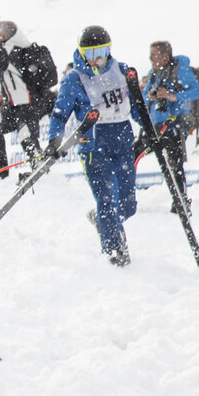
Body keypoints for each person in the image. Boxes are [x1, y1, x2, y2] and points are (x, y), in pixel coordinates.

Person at [46, 25, 139, 267]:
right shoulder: (74, 79)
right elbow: (59, 115)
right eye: (90, 53)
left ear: (109, 49)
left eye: (102, 51)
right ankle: (113, 253)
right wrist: (54, 140)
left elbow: (137, 108)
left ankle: (102, 220)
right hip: (94, 146)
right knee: (108, 199)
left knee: (127, 205)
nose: (96, 58)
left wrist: (154, 129)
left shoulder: (122, 71)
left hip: (122, 141)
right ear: (82, 53)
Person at [0, 20, 56, 177]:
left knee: (26, 137)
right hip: (14, 105)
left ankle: (39, 168)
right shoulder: (17, 47)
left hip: (27, 104)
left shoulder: (7, 52)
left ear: (4, 36)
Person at [138, 41, 199, 214]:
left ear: (165, 55)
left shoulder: (180, 70)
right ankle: (125, 197)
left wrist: (173, 96)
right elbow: (144, 99)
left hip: (173, 123)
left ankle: (180, 201)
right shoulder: (153, 74)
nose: (151, 58)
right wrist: (152, 96)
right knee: (134, 155)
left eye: (154, 54)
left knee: (175, 165)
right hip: (154, 126)